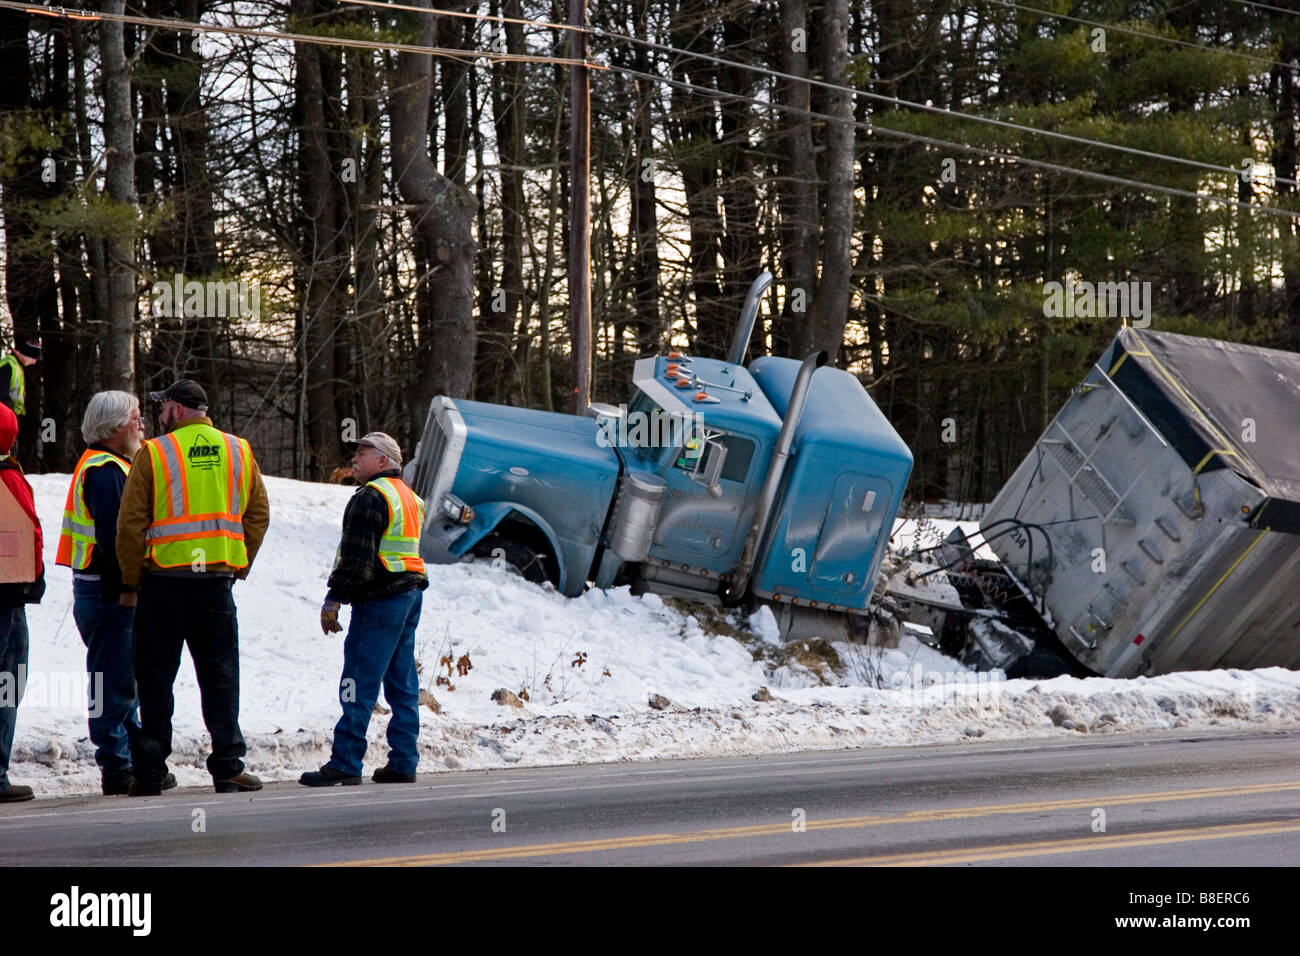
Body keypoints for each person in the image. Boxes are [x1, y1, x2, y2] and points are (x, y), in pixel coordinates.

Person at [117, 380, 270, 795]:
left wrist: (131, 580)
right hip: (215, 587)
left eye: (163, 407)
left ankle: (149, 772)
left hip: (163, 585)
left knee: (154, 678)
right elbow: (258, 515)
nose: (159, 415)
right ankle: (228, 767)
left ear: (179, 410)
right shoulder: (239, 450)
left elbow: (130, 525)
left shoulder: (154, 453)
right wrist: (237, 564)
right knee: (220, 675)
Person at [56, 391, 175, 796]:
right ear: (114, 426)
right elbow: (115, 539)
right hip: (108, 594)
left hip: (102, 591)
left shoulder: (110, 465)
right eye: (135, 418)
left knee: (121, 679)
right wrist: (128, 587)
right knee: (113, 682)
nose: (141, 425)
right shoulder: (106, 471)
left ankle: (133, 761)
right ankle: (117, 766)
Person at [300, 432, 427, 787]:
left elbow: (357, 560)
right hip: (410, 595)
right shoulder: (410, 498)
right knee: (402, 682)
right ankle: (404, 761)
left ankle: (345, 762)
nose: (355, 458)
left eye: (363, 453)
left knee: (357, 679)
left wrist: (333, 600)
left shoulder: (370, 497)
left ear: (383, 461)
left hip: (380, 601)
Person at [0, 402, 44, 801]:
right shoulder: (7, 478)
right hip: (7, 598)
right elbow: (24, 534)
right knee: (7, 682)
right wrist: (31, 582)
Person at [0, 337, 40, 415]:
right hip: (5, 416)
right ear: (26, 353)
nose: (34, 362)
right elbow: (2, 395)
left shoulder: (16, 365)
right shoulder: (8, 366)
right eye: (33, 358)